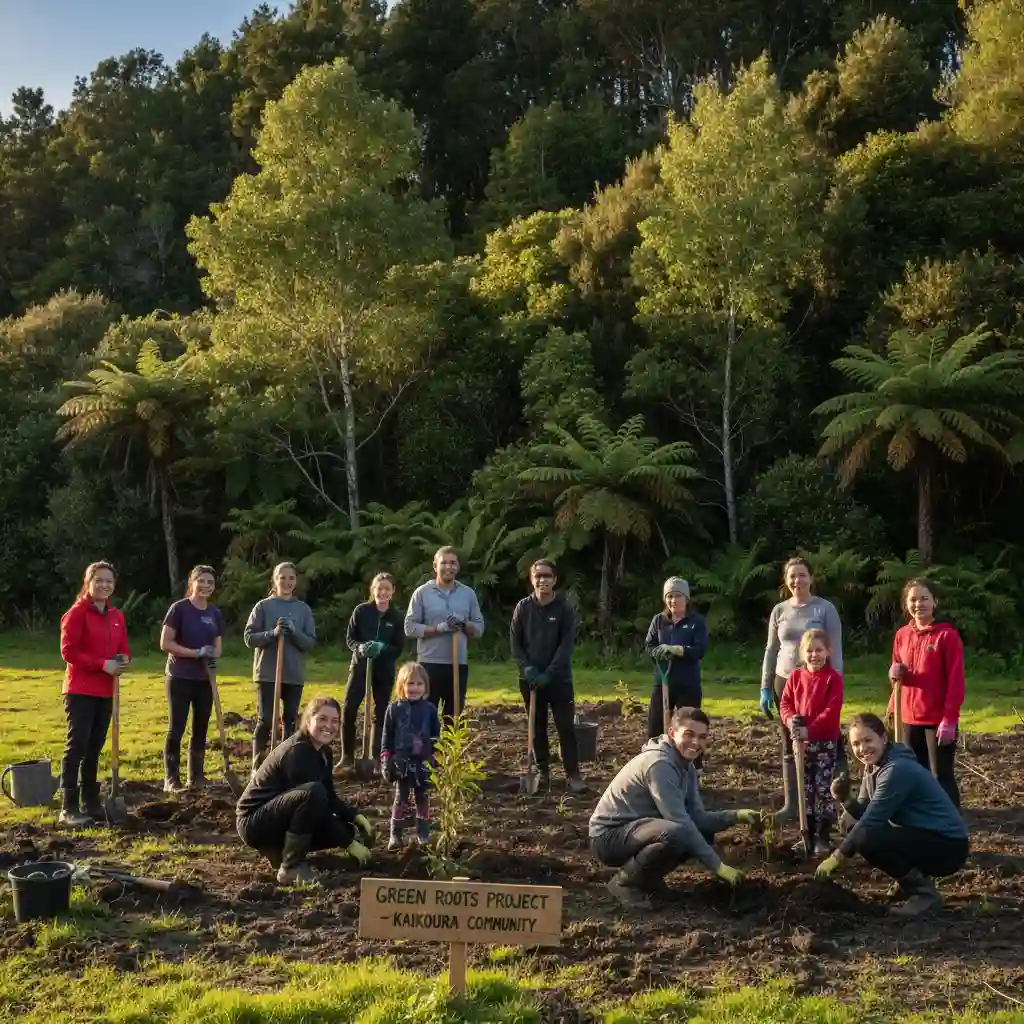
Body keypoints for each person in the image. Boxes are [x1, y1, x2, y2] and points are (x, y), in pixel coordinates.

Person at [588, 707, 759, 908]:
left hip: (640, 831)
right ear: (671, 733)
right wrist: (718, 866)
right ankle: (624, 883)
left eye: (702, 737)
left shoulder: (688, 766)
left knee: (700, 833)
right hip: (608, 838)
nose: (696, 743)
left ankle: (647, 879)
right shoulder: (660, 765)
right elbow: (680, 821)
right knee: (676, 833)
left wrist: (736, 815)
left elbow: (697, 817)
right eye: (689, 734)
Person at [815, 712, 969, 916]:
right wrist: (845, 799)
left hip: (949, 846)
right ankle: (907, 883)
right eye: (856, 744)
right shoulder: (873, 767)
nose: (862, 749)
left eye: (868, 740)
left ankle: (924, 895)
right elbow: (863, 812)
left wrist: (838, 856)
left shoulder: (897, 769)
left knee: (867, 837)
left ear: (884, 738)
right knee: (852, 826)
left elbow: (871, 820)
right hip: (923, 836)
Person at [236, 696, 376, 884]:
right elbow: (314, 802)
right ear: (308, 720)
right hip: (254, 822)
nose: (329, 726)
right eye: (322, 719)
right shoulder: (298, 751)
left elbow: (329, 796)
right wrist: (348, 843)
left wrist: (355, 817)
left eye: (335, 721)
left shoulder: (324, 752)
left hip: (280, 815)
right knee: (313, 795)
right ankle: (291, 867)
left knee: (344, 828)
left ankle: (278, 851)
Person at [760, 557, 844, 821]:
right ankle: (792, 803)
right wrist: (765, 685)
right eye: (792, 576)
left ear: (811, 577)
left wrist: (837, 682)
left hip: (820, 682)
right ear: (786, 580)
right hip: (786, 680)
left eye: (802, 575)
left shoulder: (824, 609)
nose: (797, 580)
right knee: (790, 742)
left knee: (823, 740)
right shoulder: (779, 611)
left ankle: (835, 799)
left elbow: (836, 649)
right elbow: (771, 649)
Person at [58, 561, 131, 827]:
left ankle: (91, 801)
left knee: (95, 747)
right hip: (80, 690)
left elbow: (124, 648)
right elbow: (69, 651)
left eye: (109, 581)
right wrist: (102, 664)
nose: (104, 585)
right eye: (98, 580)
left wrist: (122, 659)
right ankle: (68, 807)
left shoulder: (116, 616)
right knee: (77, 744)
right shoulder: (76, 613)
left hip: (106, 690)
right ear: (88, 582)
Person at [510, 559, 587, 793]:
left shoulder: (564, 609)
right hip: (531, 680)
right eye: (538, 576)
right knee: (537, 725)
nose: (542, 580)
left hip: (559, 680)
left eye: (547, 576)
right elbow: (515, 643)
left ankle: (573, 774)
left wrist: (549, 674)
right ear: (531, 580)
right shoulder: (523, 608)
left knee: (565, 726)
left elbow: (565, 647)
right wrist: (527, 669)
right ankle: (543, 772)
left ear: (554, 580)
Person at [888, 577, 964, 809]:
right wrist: (893, 673)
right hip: (908, 719)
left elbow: (955, 680)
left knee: (941, 776)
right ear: (906, 604)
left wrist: (949, 719)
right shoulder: (902, 634)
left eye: (924, 598)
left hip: (936, 721)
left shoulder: (946, 636)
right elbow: (896, 677)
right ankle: (923, 822)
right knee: (915, 776)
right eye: (913, 600)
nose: (918, 604)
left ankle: (951, 826)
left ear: (935, 601)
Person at [244, 562, 317, 774]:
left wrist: (294, 631)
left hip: (293, 674)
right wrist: (272, 634)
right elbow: (249, 638)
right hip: (267, 673)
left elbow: (309, 643)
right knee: (266, 719)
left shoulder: (303, 609)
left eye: (291, 578)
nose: (286, 582)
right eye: (282, 577)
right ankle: (257, 767)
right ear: (274, 580)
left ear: (296, 582)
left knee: (290, 719)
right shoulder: (263, 606)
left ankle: (286, 764)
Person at [159, 565, 225, 793]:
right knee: (176, 727)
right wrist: (196, 653)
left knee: (201, 727)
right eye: (202, 581)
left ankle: (196, 777)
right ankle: (171, 779)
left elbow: (218, 647)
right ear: (192, 582)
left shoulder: (214, 613)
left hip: (204, 678)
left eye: (210, 582)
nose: (206, 585)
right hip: (179, 676)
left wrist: (211, 654)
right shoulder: (179, 609)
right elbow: (166, 644)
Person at [779, 628, 844, 854]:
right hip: (801, 745)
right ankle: (806, 833)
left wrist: (810, 729)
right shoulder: (796, 677)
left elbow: (831, 712)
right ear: (802, 652)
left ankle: (823, 836)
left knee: (823, 788)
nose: (814, 655)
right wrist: (790, 720)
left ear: (828, 651)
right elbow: (785, 703)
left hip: (824, 743)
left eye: (819, 650)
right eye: (810, 651)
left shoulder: (833, 679)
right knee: (804, 789)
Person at [404, 546, 485, 723]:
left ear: (458, 567)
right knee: (425, 716)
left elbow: (479, 629)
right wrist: (438, 628)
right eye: (444, 563)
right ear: (435, 566)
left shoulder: (467, 594)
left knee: (454, 716)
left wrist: (464, 624)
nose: (448, 567)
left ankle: (450, 751)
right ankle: (425, 751)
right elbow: (409, 628)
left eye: (453, 563)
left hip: (457, 664)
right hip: (428, 665)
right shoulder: (422, 593)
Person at [341, 573, 405, 770]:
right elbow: (350, 639)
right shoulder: (361, 612)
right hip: (360, 667)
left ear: (392, 592)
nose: (383, 592)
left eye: (387, 588)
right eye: (379, 588)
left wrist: (382, 648)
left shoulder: (396, 617)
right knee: (349, 708)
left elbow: (398, 648)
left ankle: (377, 757)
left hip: (383, 670)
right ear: (373, 590)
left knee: (382, 711)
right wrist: (360, 648)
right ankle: (347, 757)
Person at [381, 662, 441, 850]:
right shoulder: (394, 709)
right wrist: (386, 758)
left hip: (423, 761)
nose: (414, 688)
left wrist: (436, 758)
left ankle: (423, 834)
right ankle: (395, 835)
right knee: (401, 799)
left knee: (422, 797)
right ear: (401, 686)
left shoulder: (430, 710)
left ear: (426, 687)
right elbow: (386, 737)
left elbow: (435, 736)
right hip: (401, 762)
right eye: (410, 684)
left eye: (419, 684)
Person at [644, 577, 709, 740]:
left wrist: (677, 650)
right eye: (669, 596)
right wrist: (658, 652)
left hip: (688, 684)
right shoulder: (659, 621)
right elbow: (649, 646)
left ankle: (692, 764)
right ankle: (658, 760)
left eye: (677, 596)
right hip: (662, 681)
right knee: (655, 728)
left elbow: (699, 650)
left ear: (686, 598)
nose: (673, 600)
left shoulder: (697, 622)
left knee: (688, 727)